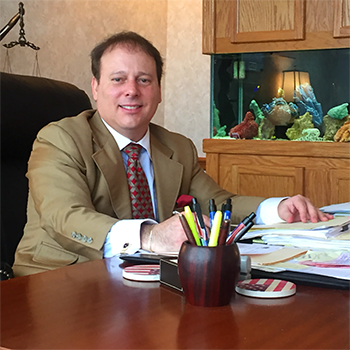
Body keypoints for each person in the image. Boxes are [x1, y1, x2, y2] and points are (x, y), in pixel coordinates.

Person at [13, 31, 332, 276]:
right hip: (60, 282)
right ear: (95, 88)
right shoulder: (59, 139)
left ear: (159, 90)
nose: (132, 90)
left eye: (144, 80)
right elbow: (63, 217)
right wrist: (150, 236)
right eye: (118, 79)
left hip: (147, 280)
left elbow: (219, 204)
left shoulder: (177, 147)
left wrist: (276, 208)